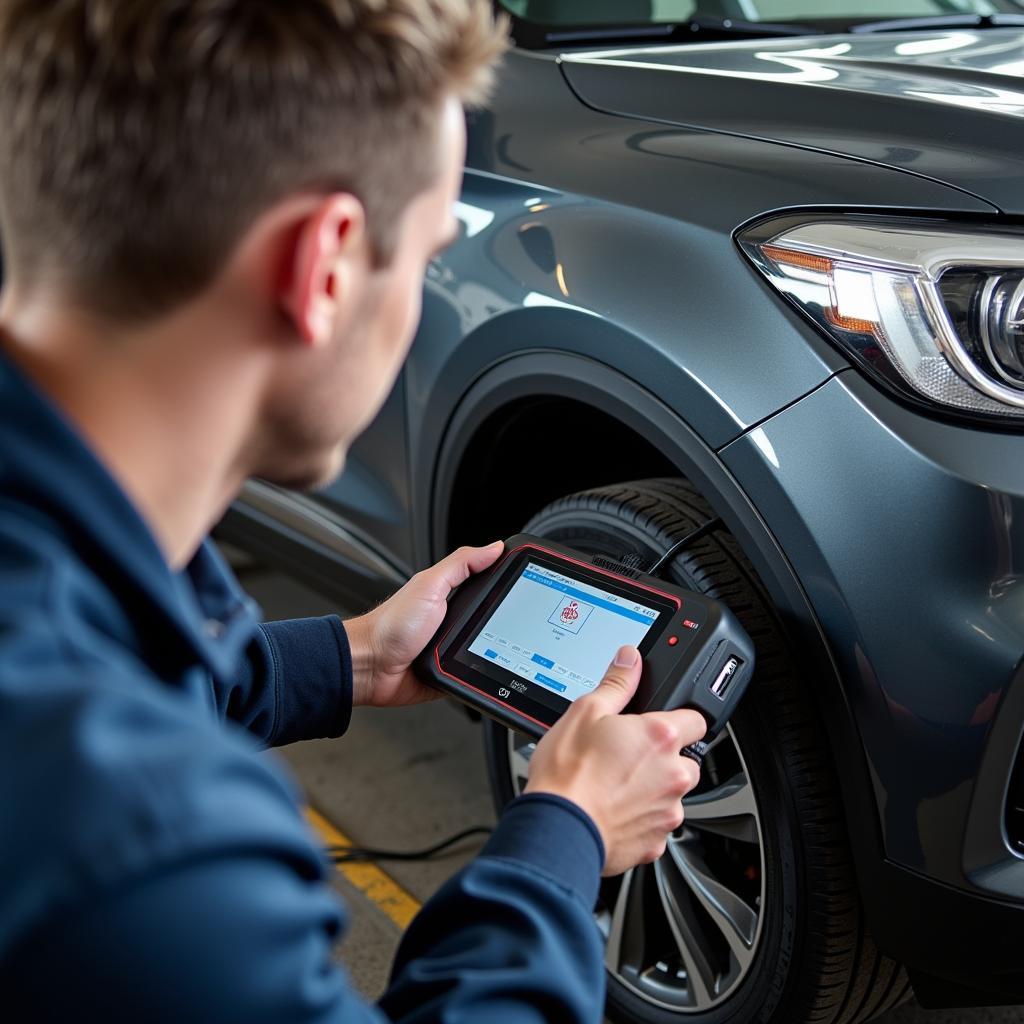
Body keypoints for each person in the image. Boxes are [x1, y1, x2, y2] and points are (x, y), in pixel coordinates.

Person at [0, 1, 707, 1020]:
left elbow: (106, 653)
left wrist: (361, 656)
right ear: (322, 266)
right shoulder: (150, 843)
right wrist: (566, 831)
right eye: (420, 261)